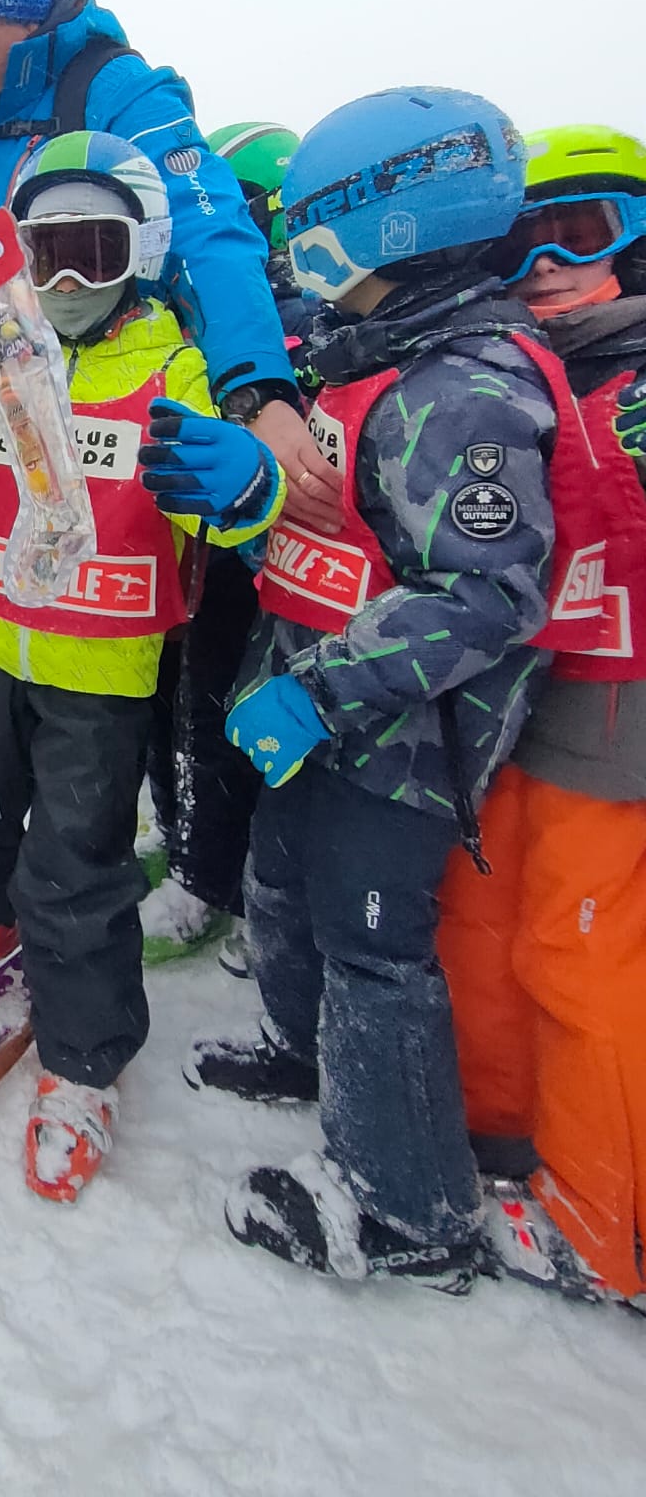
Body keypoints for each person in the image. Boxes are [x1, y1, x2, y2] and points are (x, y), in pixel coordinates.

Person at [0, 0, 332, 926]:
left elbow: (209, 226)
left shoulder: (118, 88)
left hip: (111, 406)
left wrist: (258, 389)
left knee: (109, 668)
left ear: (20, 15)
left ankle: (101, 867)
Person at [180, 85, 600, 1294]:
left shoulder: (461, 387)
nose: (295, 268)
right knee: (283, 877)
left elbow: (486, 593)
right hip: (312, 699)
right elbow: (336, 529)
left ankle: (409, 1205)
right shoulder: (369, 361)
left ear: (394, 233)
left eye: (311, 242)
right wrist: (244, 503)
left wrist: (318, 691)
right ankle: (303, 1050)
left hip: (395, 733)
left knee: (375, 941)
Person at [0, 132, 285, 1201]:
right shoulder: (4, 351)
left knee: (79, 858)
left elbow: (245, 518)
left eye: (95, 250)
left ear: (139, 251)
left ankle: (83, 1061)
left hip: (102, 660)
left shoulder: (174, 367)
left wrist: (246, 483)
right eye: (44, 252)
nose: (64, 280)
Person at [439, 124, 646, 1308]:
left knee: (580, 946)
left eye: (583, 231)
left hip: (610, 700)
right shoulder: (520, 370)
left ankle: (602, 1215)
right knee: (485, 912)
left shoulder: (625, 377)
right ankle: (502, 1129)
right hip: (510, 694)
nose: (550, 265)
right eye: (522, 239)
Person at [141, 122, 310, 962]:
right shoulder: (190, 309)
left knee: (219, 714)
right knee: (167, 703)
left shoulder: (294, 325)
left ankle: (211, 880)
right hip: (191, 548)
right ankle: (183, 840)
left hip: (265, 566)